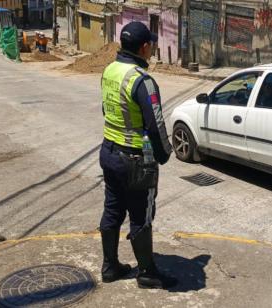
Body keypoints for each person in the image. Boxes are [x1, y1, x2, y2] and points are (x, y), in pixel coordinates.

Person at [99, 21, 176, 289]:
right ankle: (147, 273)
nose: (152, 49)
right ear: (144, 48)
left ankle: (110, 266)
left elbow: (105, 108)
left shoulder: (109, 71)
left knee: (113, 209)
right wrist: (164, 154)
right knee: (141, 215)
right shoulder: (142, 80)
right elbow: (156, 123)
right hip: (135, 161)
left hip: (108, 152)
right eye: (151, 45)